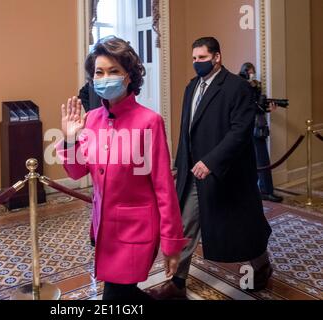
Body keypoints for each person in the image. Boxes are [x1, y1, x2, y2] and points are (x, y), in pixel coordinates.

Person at [56, 36, 188, 301]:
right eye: (99, 72)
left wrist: (172, 244)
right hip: (102, 229)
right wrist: (70, 139)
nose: (106, 78)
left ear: (129, 76)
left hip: (135, 231)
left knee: (116, 295)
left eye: (114, 71)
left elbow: (164, 188)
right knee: (123, 293)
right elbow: (77, 171)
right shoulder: (91, 119)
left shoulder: (149, 122)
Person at [148, 37, 273, 300]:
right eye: (194, 58)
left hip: (228, 174)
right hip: (194, 172)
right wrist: (180, 164)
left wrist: (212, 161)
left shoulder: (237, 87)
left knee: (243, 227)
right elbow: (186, 132)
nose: (197, 63)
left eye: (202, 58)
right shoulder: (191, 87)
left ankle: (261, 264)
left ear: (217, 57)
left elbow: (240, 131)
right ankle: (177, 284)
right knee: (186, 224)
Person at [239, 62, 283, 203]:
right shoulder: (239, 85)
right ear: (244, 72)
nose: (252, 74)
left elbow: (258, 107)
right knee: (256, 159)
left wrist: (268, 108)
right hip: (246, 128)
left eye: (253, 71)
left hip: (257, 126)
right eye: (249, 71)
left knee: (261, 159)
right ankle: (262, 190)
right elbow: (244, 107)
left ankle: (264, 189)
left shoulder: (255, 85)